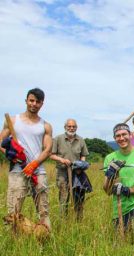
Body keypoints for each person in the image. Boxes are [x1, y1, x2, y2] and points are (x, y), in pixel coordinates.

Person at [0, 88, 52, 230]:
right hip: (17, 171)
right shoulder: (12, 121)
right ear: (26, 101)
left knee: (43, 210)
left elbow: (48, 150)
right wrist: (10, 155)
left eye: (38, 101)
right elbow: (0, 140)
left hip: (38, 172)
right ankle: (14, 244)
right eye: (31, 100)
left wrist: (34, 164)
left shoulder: (45, 126)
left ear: (42, 104)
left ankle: (45, 241)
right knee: (13, 211)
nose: (34, 104)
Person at [50, 119, 91, 220]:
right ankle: (63, 220)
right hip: (63, 172)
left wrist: (81, 165)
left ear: (76, 128)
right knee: (64, 196)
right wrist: (62, 160)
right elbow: (51, 155)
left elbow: (83, 155)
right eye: (69, 126)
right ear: (65, 127)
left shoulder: (80, 140)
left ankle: (78, 219)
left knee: (79, 196)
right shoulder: (57, 139)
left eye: (73, 126)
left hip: (77, 172)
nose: (71, 128)